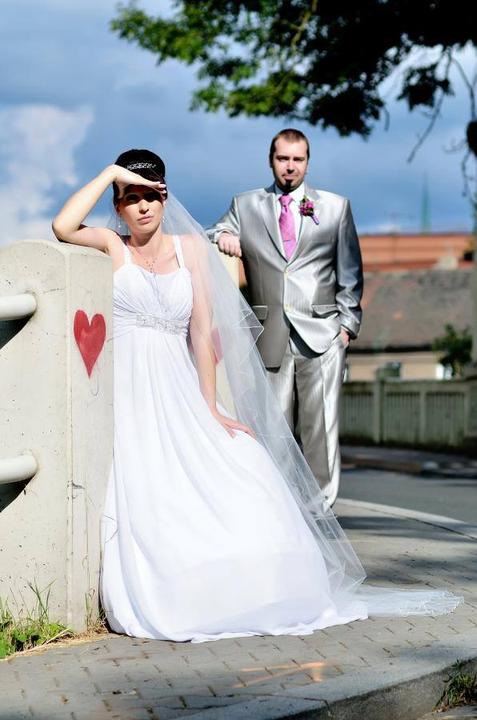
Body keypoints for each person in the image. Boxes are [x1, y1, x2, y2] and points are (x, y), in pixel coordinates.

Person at [52, 149, 461, 643]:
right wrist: (109, 174)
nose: (142, 206)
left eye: (151, 196)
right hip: (131, 396)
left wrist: (210, 407)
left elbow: (201, 333)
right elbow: (62, 226)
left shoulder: (190, 249)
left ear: (165, 198)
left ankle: (253, 583)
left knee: (237, 464)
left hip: (180, 388)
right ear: (118, 206)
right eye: (130, 197)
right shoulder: (111, 246)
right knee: (152, 490)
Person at [208, 128, 363, 506]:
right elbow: (213, 231)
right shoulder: (246, 205)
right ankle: (280, 505)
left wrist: (346, 327)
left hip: (323, 333)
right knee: (272, 427)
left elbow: (350, 271)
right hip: (270, 333)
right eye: (283, 159)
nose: (290, 167)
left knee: (320, 429)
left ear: (307, 162)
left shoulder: (335, 207)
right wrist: (223, 234)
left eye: (297, 159)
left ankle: (321, 509)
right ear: (271, 160)